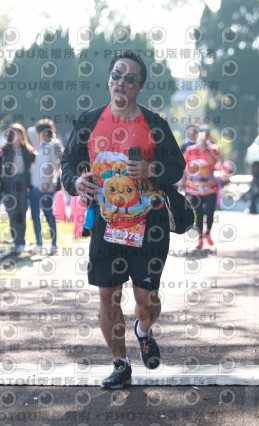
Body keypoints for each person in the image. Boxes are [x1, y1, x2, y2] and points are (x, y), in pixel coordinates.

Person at [61, 49, 185, 389]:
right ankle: (120, 363)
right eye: (116, 75)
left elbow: (177, 168)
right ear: (109, 80)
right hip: (106, 223)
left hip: (149, 225)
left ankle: (143, 331)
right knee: (107, 296)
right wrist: (75, 182)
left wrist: (151, 169)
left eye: (130, 79)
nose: (121, 83)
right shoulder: (89, 121)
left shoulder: (155, 124)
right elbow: (68, 163)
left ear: (140, 87)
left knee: (147, 302)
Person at [183, 125, 221, 248]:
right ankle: (199, 238)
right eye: (201, 134)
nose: (203, 137)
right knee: (198, 214)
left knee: (210, 212)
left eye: (205, 135)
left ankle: (208, 232)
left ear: (209, 137)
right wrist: (183, 184)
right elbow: (185, 168)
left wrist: (207, 150)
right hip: (194, 188)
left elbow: (216, 165)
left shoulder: (213, 149)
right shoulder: (190, 150)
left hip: (210, 188)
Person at [1, 123, 36, 254]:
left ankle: (21, 241)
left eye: (19, 134)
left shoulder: (27, 150)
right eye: (14, 134)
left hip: (23, 183)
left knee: (22, 212)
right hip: (10, 184)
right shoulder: (5, 149)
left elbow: (37, 161)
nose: (17, 137)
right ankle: (15, 241)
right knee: (12, 213)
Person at [29, 119, 62, 255]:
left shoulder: (53, 145)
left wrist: (44, 185)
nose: (37, 135)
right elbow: (30, 131)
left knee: (48, 215)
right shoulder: (43, 144)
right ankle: (39, 244)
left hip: (45, 188)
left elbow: (50, 167)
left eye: (40, 132)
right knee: (35, 216)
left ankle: (53, 245)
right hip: (35, 187)